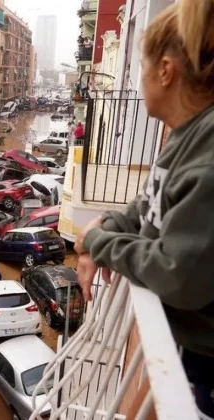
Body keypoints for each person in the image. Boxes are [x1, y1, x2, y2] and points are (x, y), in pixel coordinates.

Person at [74, 0, 214, 417]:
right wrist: (109, 226)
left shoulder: (207, 154)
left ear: (166, 70)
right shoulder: (187, 136)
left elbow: (178, 273)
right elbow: (147, 203)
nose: (139, 77)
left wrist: (98, 240)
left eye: (142, 64)